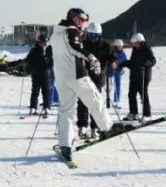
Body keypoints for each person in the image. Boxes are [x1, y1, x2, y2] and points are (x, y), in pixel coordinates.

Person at [50, 8, 123, 163]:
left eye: (84, 21)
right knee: (95, 99)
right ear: (73, 18)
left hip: (61, 78)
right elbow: (75, 47)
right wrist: (91, 58)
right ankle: (107, 127)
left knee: (66, 111)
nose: (83, 23)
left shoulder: (55, 34)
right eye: (81, 20)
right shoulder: (71, 31)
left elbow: (55, 53)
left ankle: (65, 145)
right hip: (77, 75)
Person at [77, 22, 114, 138]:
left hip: (98, 78)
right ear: (88, 34)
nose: (93, 38)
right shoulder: (82, 44)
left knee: (96, 103)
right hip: (84, 77)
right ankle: (82, 127)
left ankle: (94, 128)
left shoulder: (106, 45)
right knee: (83, 102)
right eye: (91, 36)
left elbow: (112, 57)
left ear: (100, 35)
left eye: (96, 36)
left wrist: (114, 62)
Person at [123, 32, 157, 120]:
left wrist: (147, 63)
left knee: (143, 95)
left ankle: (147, 114)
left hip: (144, 76)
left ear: (140, 42)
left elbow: (153, 60)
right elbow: (132, 62)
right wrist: (122, 64)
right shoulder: (134, 50)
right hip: (134, 75)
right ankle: (133, 113)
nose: (134, 45)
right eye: (133, 44)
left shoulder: (147, 49)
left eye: (135, 43)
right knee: (131, 94)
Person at [24, 35, 52, 115]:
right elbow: (28, 60)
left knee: (46, 91)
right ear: (39, 42)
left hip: (46, 73)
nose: (43, 43)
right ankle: (33, 107)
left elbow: (51, 61)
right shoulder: (34, 50)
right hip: (36, 73)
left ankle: (46, 107)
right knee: (35, 91)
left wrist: (48, 66)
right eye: (42, 42)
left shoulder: (48, 50)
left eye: (45, 42)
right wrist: (33, 66)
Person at [108, 39, 127, 108]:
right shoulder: (112, 53)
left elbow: (125, 62)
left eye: (121, 46)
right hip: (110, 71)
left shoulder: (123, 54)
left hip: (118, 71)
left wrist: (122, 68)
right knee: (108, 86)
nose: (120, 48)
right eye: (119, 46)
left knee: (118, 86)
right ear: (115, 46)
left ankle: (117, 101)